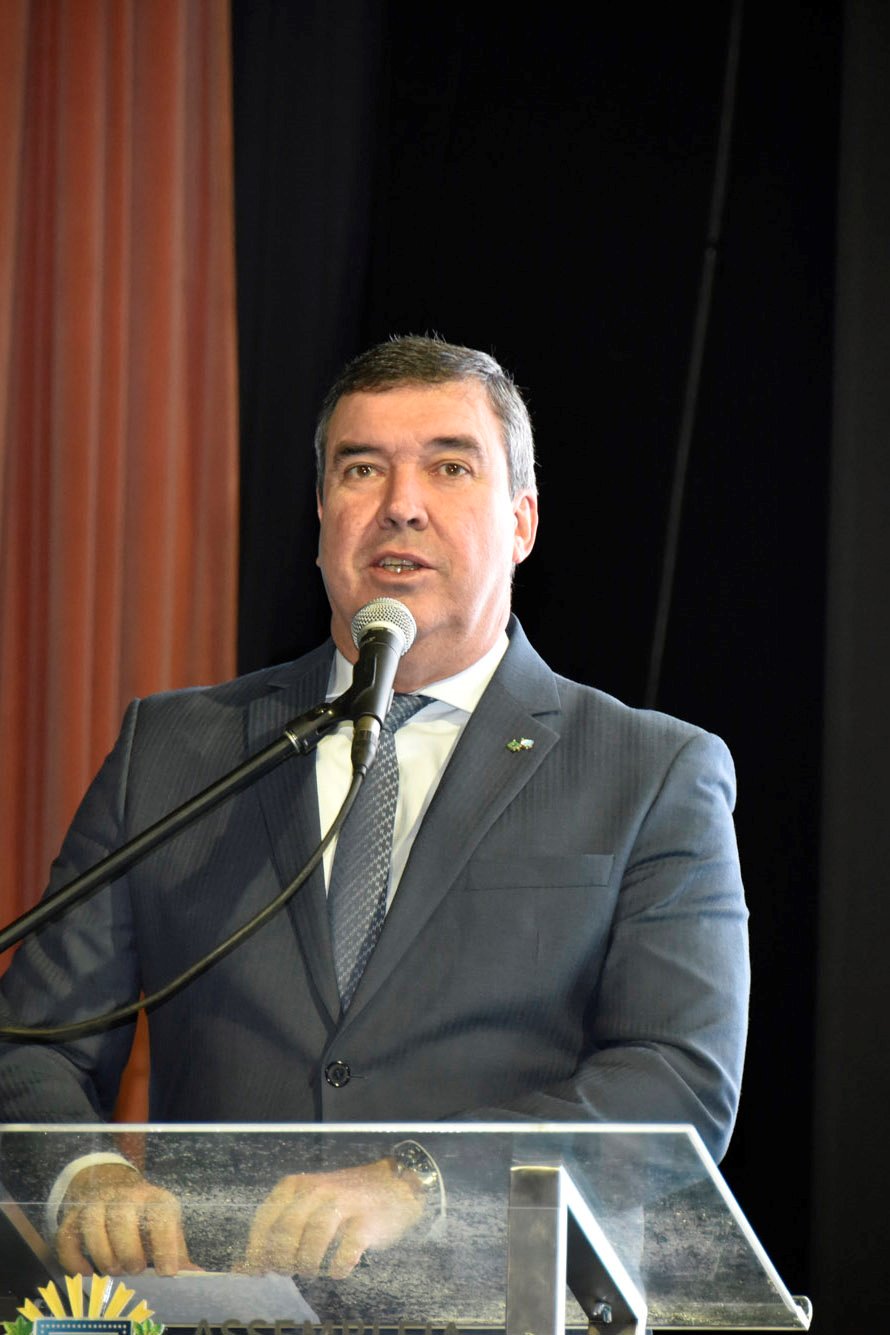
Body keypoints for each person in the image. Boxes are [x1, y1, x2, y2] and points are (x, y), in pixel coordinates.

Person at [0, 336, 749, 1281]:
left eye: (449, 466)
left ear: (522, 520)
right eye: (362, 468)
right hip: (215, 1302)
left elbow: (677, 1082)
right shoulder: (176, 751)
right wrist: (84, 1175)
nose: (401, 503)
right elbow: (29, 1045)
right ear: (322, 516)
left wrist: (421, 1181)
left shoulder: (650, 772)